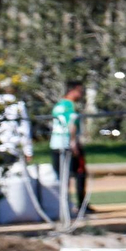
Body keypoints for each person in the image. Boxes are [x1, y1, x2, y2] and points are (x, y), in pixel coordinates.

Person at [49, 79, 87, 216]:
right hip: (66, 144)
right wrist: (73, 143)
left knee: (61, 177)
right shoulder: (70, 105)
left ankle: (64, 205)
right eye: (80, 91)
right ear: (73, 90)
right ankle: (77, 205)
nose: (82, 94)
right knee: (78, 173)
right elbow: (72, 124)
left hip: (55, 143)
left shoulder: (58, 104)